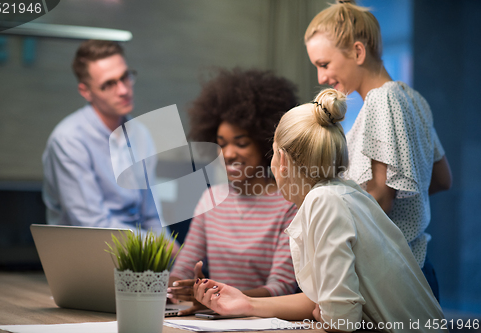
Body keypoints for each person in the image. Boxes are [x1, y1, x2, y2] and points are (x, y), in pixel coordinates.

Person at [193, 89, 447, 333]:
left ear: (282, 161)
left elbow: (340, 320)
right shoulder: (343, 193)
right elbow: (318, 300)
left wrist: (326, 313)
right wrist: (245, 303)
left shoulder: (322, 202)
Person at [303, 0, 452, 300]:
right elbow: (441, 179)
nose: (321, 78)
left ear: (358, 52)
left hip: (396, 277)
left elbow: (382, 198)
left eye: (324, 64)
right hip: (420, 268)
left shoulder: (380, 101)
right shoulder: (414, 99)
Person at [167, 68, 299, 315]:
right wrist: (177, 288)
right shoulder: (211, 199)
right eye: (222, 143)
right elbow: (184, 268)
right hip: (215, 320)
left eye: (241, 143)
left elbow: (281, 287)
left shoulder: (289, 203)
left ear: (265, 143)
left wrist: (217, 296)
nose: (228, 154)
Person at [42, 40, 163, 235]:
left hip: (139, 254)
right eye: (108, 84)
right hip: (86, 256)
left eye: (125, 77)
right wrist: (156, 245)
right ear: (86, 92)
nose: (123, 90)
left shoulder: (140, 134)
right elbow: (92, 224)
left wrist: (171, 252)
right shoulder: (68, 140)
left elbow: (151, 215)